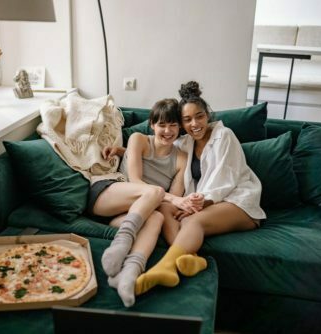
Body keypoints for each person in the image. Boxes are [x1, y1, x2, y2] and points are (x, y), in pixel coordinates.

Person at [134, 81, 267, 296]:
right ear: (182, 124)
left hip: (238, 202)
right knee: (165, 209)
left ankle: (164, 267)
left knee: (192, 219)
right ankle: (194, 260)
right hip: (204, 203)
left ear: (208, 115)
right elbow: (156, 148)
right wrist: (122, 150)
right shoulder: (184, 143)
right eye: (187, 119)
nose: (194, 124)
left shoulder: (224, 136)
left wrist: (198, 204)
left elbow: (226, 179)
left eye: (199, 116)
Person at [88, 98, 202, 307]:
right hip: (108, 195)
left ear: (179, 128)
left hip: (130, 215)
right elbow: (135, 181)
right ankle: (121, 244)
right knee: (155, 191)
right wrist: (177, 199)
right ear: (152, 124)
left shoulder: (182, 158)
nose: (167, 131)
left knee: (157, 216)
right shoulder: (138, 139)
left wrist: (178, 202)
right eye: (161, 125)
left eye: (173, 125)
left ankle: (128, 274)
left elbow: (167, 205)